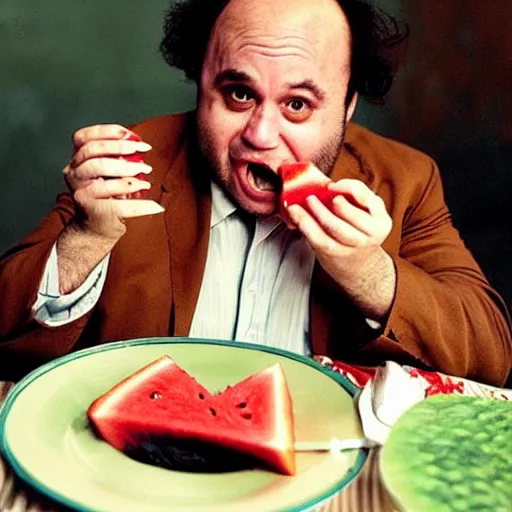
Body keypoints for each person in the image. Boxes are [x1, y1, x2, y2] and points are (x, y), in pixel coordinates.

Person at [0, 0, 510, 386]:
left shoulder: (406, 181)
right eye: (239, 94)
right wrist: (84, 240)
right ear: (200, 83)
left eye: (298, 105)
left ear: (349, 106)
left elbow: (491, 355)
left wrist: (366, 270)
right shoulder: (130, 163)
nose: (261, 134)